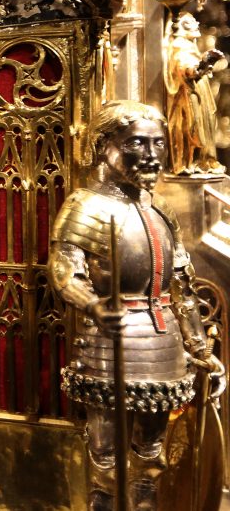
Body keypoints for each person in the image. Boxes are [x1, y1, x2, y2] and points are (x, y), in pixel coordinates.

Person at [50, 100, 225, 510]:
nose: (151, 154)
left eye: (158, 143)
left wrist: (201, 349)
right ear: (104, 146)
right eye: (137, 143)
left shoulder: (160, 210)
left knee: (150, 455)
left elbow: (181, 286)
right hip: (108, 343)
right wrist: (93, 305)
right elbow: (64, 271)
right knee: (105, 458)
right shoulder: (86, 206)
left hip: (163, 344)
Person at [164, 11, 227, 174]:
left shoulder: (190, 45)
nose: (196, 25)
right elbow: (183, 67)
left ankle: (206, 161)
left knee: (206, 125)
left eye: (194, 22)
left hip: (200, 90)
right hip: (189, 92)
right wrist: (200, 67)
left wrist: (206, 65)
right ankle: (189, 162)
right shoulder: (178, 44)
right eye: (189, 23)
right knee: (193, 126)